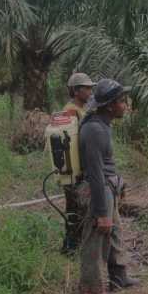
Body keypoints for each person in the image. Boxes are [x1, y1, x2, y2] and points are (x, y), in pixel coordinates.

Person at [78, 78, 139, 294]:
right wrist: (101, 212)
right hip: (99, 189)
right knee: (96, 238)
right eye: (122, 101)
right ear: (110, 105)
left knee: (114, 233)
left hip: (107, 186)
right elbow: (94, 173)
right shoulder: (95, 129)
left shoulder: (102, 124)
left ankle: (119, 276)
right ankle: (91, 290)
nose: (126, 105)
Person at [60, 72, 95, 255]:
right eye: (86, 88)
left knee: (81, 208)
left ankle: (76, 244)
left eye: (91, 88)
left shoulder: (82, 109)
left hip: (82, 167)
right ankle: (70, 247)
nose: (90, 91)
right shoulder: (70, 111)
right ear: (75, 90)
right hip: (74, 169)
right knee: (74, 208)